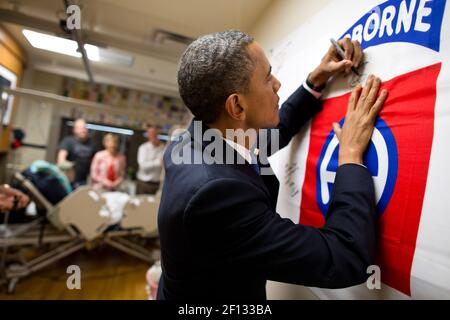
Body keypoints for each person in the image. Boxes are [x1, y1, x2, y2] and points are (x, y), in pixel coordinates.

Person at [157, 30, 388, 300]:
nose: (277, 83)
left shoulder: (201, 138)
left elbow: (271, 134)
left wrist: (316, 80)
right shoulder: (215, 195)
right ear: (237, 106)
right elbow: (344, 258)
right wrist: (349, 156)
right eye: (267, 77)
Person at [57, 118, 96, 188]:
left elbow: (94, 162)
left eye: (84, 127)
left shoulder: (92, 143)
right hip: (68, 179)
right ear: (74, 130)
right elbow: (61, 160)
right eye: (80, 128)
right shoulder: (68, 141)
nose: (83, 130)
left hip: (84, 180)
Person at [136, 124, 165, 194]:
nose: (153, 136)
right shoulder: (143, 148)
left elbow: (164, 164)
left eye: (155, 134)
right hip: (143, 183)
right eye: (151, 134)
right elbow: (143, 166)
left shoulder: (163, 148)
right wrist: (158, 162)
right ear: (148, 135)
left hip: (157, 183)